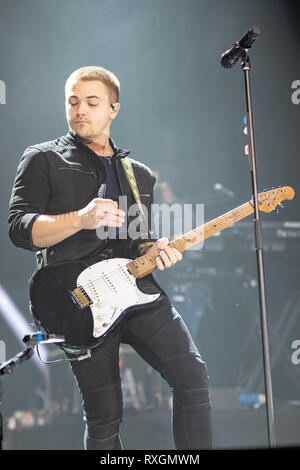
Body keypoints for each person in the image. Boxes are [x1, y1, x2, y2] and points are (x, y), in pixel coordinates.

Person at [8, 66, 212, 450]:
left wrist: (156, 251)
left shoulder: (139, 175)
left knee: (193, 377)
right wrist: (80, 219)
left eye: (91, 102)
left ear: (113, 109)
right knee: (105, 416)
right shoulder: (42, 159)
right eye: (72, 102)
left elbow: (140, 240)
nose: (79, 110)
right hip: (77, 297)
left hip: (134, 290)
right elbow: (20, 228)